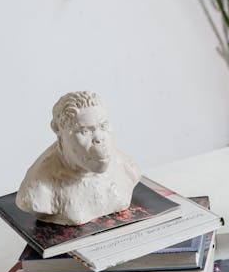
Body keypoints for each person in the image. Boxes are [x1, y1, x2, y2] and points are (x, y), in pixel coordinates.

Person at [16, 91, 140, 225]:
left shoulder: (127, 167)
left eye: (103, 126)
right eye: (84, 131)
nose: (99, 139)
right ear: (59, 130)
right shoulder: (38, 188)